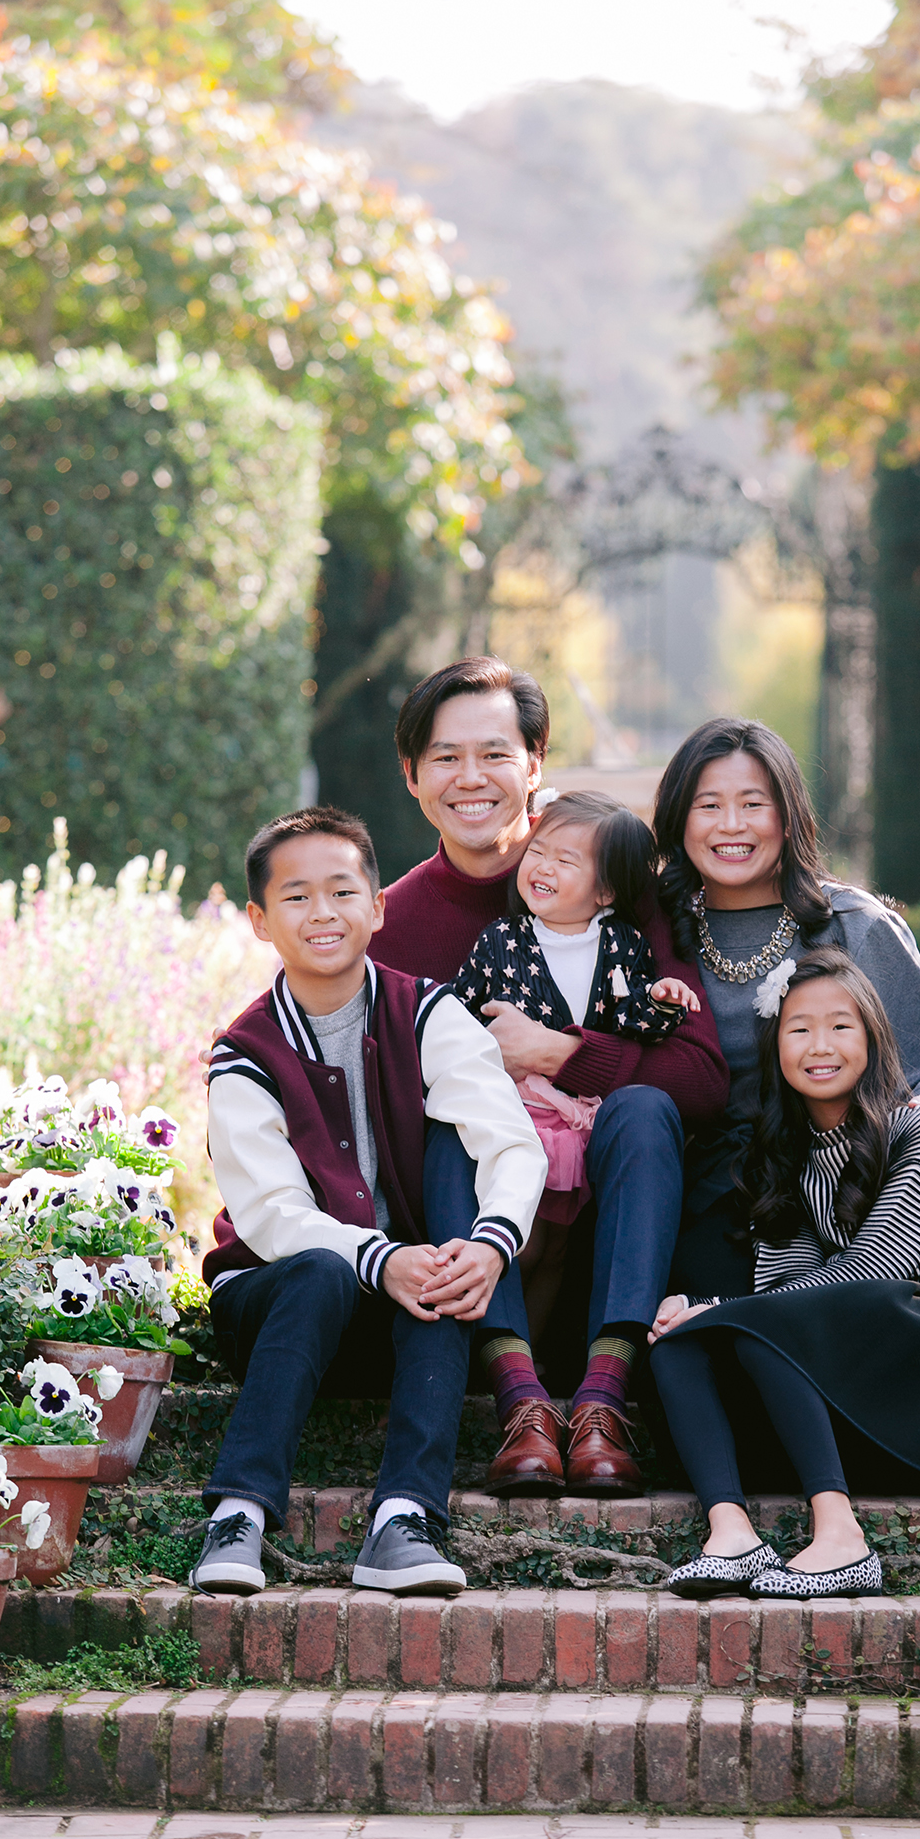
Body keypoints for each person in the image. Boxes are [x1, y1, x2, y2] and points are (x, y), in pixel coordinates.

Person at [367, 658, 730, 1499]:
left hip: (617, 1258)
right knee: (455, 1111)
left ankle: (604, 1402)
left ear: (535, 765)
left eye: (494, 753)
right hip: (484, 1281)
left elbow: (703, 1078)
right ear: (413, 775)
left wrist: (558, 1053)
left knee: (642, 1105)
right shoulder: (388, 925)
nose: (470, 778)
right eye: (445, 756)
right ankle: (520, 1402)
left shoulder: (621, 889)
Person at [189, 804, 547, 1600]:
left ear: (378, 906)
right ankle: (239, 1513)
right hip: (275, 1304)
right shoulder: (243, 1054)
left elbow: (511, 1142)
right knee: (319, 1267)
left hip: (397, 1305)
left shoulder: (427, 1012)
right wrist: (379, 1259)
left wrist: (488, 1245)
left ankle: (403, 1523)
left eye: (343, 891)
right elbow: (271, 1215)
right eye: (296, 896)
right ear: (258, 920)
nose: (323, 913)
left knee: (447, 1275)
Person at [648, 947, 920, 1601]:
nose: (820, 1044)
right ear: (775, 1046)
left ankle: (841, 1539)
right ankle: (732, 1535)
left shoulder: (918, 1131)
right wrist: (707, 1310)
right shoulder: (781, 1156)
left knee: (760, 1328)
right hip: (852, 1365)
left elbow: (875, 1271)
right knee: (679, 1339)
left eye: (841, 1026)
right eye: (799, 1028)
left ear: (873, 1036)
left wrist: (723, 1309)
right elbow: (785, 1294)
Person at [650, 716, 920, 1300]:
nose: (731, 826)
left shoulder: (853, 925)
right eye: (708, 806)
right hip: (699, 1195)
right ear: (680, 818)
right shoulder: (651, 927)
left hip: (836, 1195)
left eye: (753, 804)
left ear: (787, 817)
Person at [453, 790, 700, 1399]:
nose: (544, 867)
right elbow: (458, 1012)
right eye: (538, 851)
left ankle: (539, 1369)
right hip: (519, 1112)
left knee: (560, 1245)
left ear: (607, 890)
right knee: (522, 1235)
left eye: (567, 861)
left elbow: (634, 1017)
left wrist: (664, 999)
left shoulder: (621, 945)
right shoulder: (502, 939)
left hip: (581, 1120)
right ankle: (499, 1373)